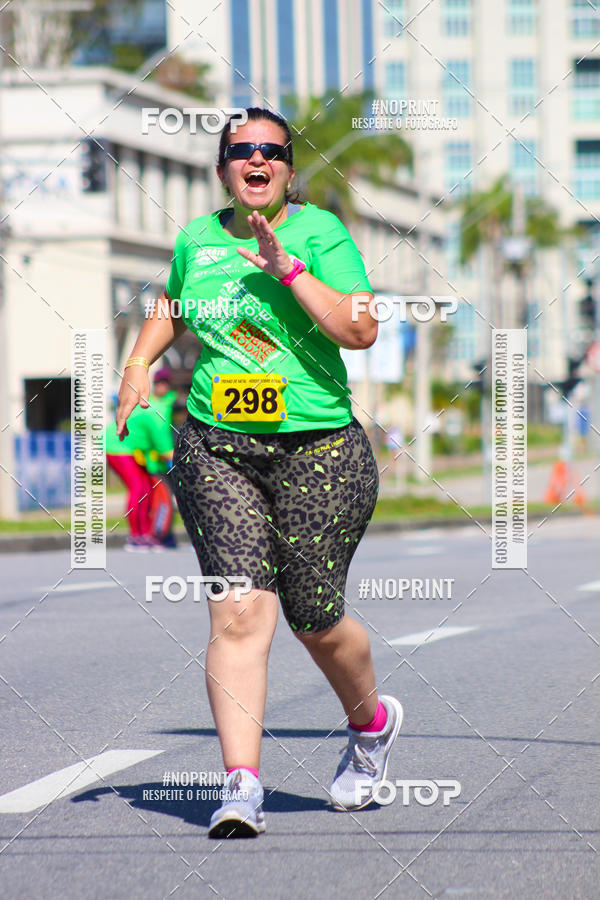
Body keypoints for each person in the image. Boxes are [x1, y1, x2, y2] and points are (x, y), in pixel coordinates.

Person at [115, 107, 404, 838]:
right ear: (222, 168)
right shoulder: (197, 239)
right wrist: (138, 362)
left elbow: (360, 330)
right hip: (218, 446)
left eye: (271, 151)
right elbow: (172, 304)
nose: (257, 160)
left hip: (320, 451)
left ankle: (370, 725)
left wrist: (290, 271)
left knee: (314, 616)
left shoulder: (322, 234)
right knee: (238, 612)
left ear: (288, 169)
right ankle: (241, 786)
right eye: (241, 150)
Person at [106, 372, 175, 551]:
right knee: (139, 488)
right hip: (118, 446)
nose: (162, 386)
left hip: (132, 450)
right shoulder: (157, 411)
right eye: (159, 382)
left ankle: (145, 534)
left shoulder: (162, 406)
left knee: (145, 488)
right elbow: (165, 450)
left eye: (165, 383)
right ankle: (137, 537)